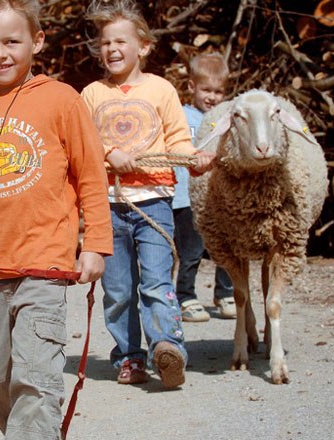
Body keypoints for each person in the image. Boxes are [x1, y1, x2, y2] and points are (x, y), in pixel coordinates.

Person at [0, 0, 113, 438]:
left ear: (37, 41)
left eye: (12, 41)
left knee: (35, 380)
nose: (1, 53)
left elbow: (90, 174)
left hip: (43, 269)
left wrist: (95, 244)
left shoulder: (61, 101)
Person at [80, 0, 215, 388]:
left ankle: (167, 349)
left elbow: (177, 140)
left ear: (144, 47)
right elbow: (83, 144)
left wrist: (195, 160)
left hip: (154, 202)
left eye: (121, 41)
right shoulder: (91, 94)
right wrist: (109, 153)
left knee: (156, 282)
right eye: (106, 43)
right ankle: (129, 357)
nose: (112, 49)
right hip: (107, 205)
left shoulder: (161, 89)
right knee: (118, 290)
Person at [172, 52, 237, 322]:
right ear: (191, 87)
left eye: (219, 91)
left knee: (227, 247)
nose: (212, 97)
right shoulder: (181, 116)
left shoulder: (226, 119)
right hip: (185, 198)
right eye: (206, 90)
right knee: (191, 251)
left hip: (216, 197)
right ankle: (185, 296)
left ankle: (226, 293)